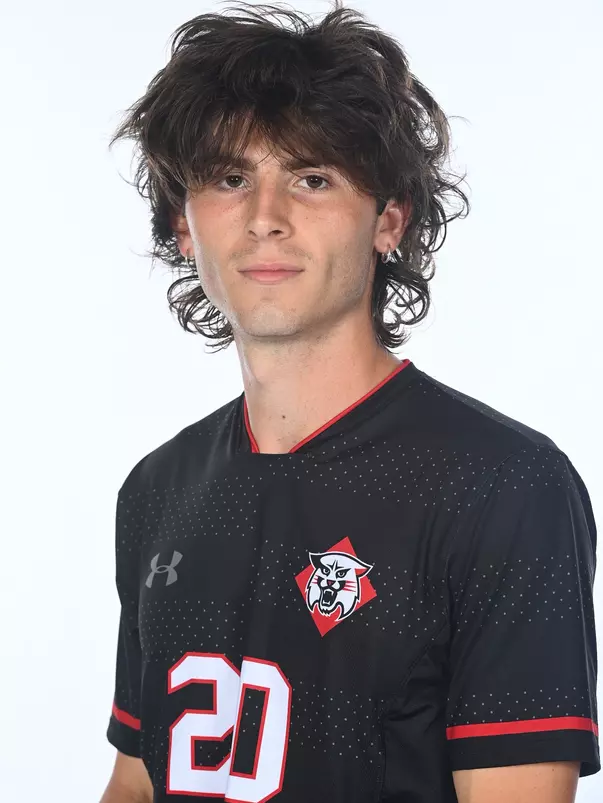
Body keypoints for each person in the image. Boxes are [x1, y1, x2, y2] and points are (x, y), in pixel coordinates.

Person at [100, 3, 599, 802]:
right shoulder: (157, 489)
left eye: (311, 177)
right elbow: (136, 780)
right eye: (230, 179)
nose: (265, 218)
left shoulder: (502, 487)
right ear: (183, 225)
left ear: (388, 220)